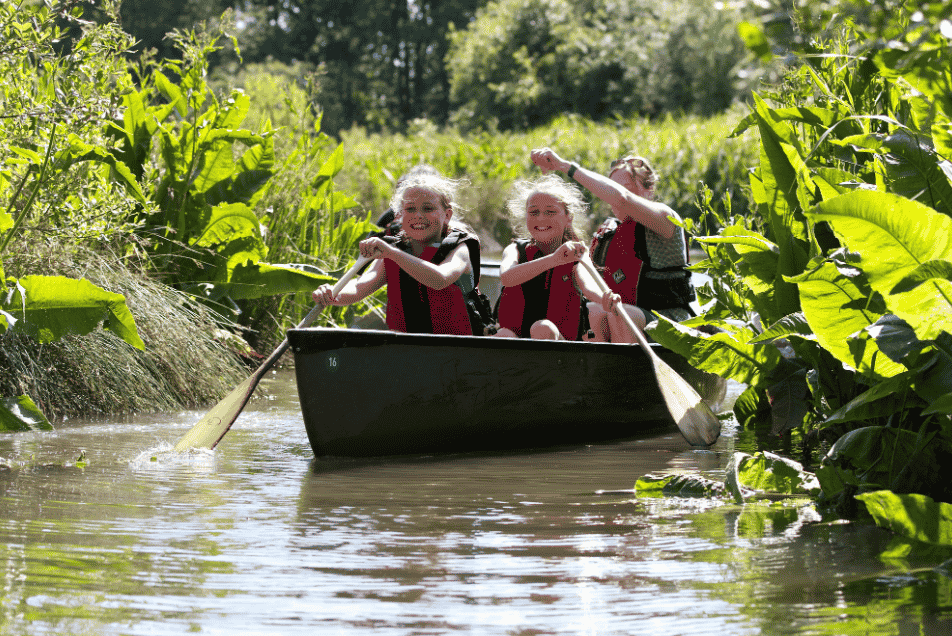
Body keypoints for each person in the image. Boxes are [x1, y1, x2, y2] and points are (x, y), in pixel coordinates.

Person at [529, 148, 696, 343]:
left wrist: (564, 166)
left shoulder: (666, 220)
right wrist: (602, 298)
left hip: (671, 321)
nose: (611, 195)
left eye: (625, 187)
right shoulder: (610, 234)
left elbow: (621, 198)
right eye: (610, 187)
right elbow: (585, 276)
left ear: (648, 191)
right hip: (624, 318)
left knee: (621, 313)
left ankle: (626, 372)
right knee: (591, 311)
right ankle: (599, 371)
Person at [313, 172, 491, 335]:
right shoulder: (394, 250)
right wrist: (333, 294)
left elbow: (440, 279)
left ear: (447, 215)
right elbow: (359, 287)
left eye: (428, 209)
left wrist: (393, 253)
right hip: (407, 347)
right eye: (410, 209)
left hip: (457, 348)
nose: (418, 215)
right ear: (399, 216)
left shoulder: (459, 248)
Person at [494, 174, 620, 340]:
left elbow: (589, 286)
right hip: (518, 342)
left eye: (550, 212)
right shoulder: (514, 249)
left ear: (569, 217)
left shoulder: (578, 254)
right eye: (534, 212)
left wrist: (604, 299)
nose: (541, 218)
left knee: (542, 328)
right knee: (503, 334)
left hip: (561, 346)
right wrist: (554, 259)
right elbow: (507, 278)